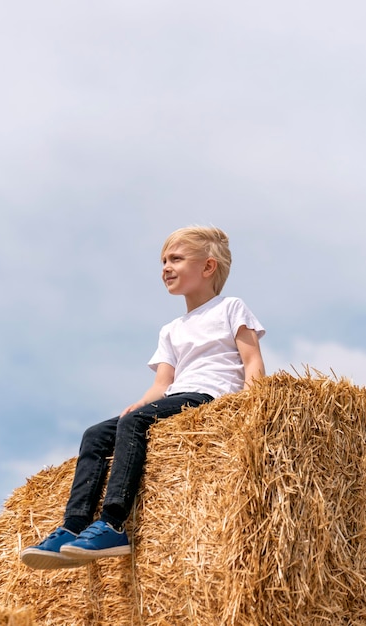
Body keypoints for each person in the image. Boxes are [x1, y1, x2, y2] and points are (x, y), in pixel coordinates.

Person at [21, 225, 265, 570]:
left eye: (176, 259)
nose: (165, 267)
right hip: (177, 397)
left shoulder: (230, 308)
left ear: (208, 267)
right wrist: (138, 404)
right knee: (96, 434)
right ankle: (73, 526)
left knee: (134, 423)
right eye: (163, 260)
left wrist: (257, 407)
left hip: (210, 398)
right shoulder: (171, 329)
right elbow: (162, 384)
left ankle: (113, 523)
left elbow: (252, 360)